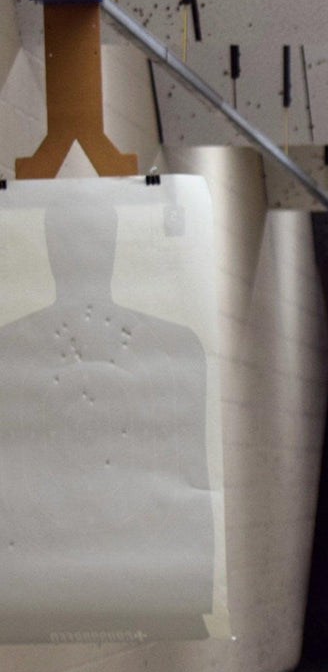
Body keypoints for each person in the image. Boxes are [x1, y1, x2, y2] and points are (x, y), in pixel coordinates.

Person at [0, 200, 213, 635]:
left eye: (88, 239)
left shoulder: (12, 348)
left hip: (71, 573)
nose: (80, 253)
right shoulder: (172, 346)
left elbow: (191, 479)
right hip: (61, 572)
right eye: (70, 240)